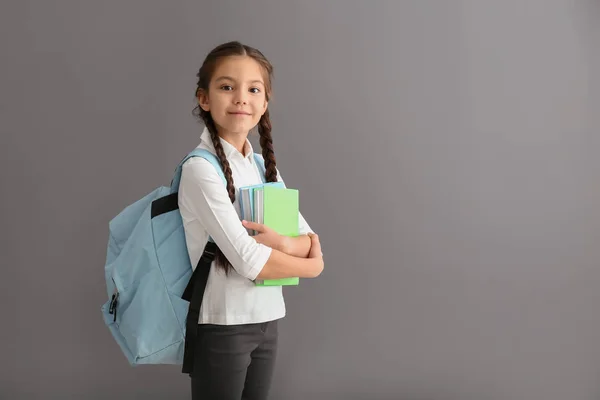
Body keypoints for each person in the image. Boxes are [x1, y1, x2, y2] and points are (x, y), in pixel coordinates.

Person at [177, 41, 324, 400]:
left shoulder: (261, 166)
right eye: (227, 87)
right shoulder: (200, 170)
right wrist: (314, 266)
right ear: (204, 98)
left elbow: (305, 236)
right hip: (223, 325)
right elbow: (249, 261)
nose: (241, 98)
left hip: (267, 318)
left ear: (264, 102)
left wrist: (287, 245)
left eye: (253, 89)